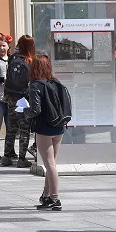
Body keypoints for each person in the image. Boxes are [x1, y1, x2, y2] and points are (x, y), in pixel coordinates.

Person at [24, 54, 71, 211]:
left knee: (49, 164)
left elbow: (35, 110)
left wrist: (24, 110)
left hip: (44, 127)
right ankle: (47, 196)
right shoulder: (55, 82)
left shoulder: (35, 85)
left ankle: (55, 199)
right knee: (51, 163)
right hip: (59, 126)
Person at [2, 34, 35, 167]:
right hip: (24, 98)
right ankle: (21, 158)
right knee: (24, 128)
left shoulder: (12, 58)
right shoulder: (30, 60)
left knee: (11, 127)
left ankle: (6, 156)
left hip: (11, 97)